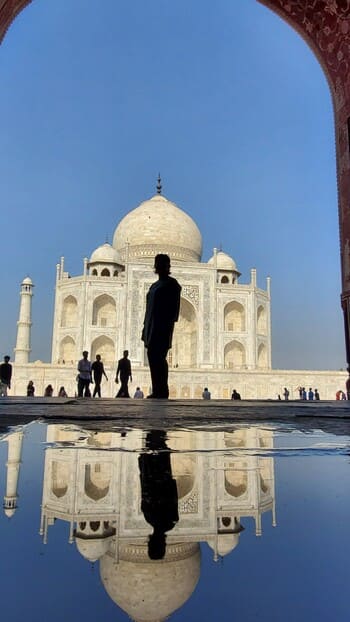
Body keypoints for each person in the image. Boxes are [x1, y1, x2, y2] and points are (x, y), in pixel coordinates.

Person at [142, 254, 181, 399]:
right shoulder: (154, 286)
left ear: (167, 266)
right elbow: (148, 310)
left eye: (162, 264)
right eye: (158, 264)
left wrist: (168, 325)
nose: (159, 267)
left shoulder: (172, 284)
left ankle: (162, 390)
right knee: (153, 358)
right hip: (151, 327)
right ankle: (157, 389)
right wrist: (145, 328)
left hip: (162, 327)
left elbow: (174, 310)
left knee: (160, 358)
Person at [138, 430, 179, 559]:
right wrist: (142, 464)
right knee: (153, 440)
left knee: (159, 441)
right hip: (152, 473)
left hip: (163, 474)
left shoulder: (171, 522)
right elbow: (144, 489)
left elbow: (174, 495)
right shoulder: (149, 518)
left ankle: (158, 419)